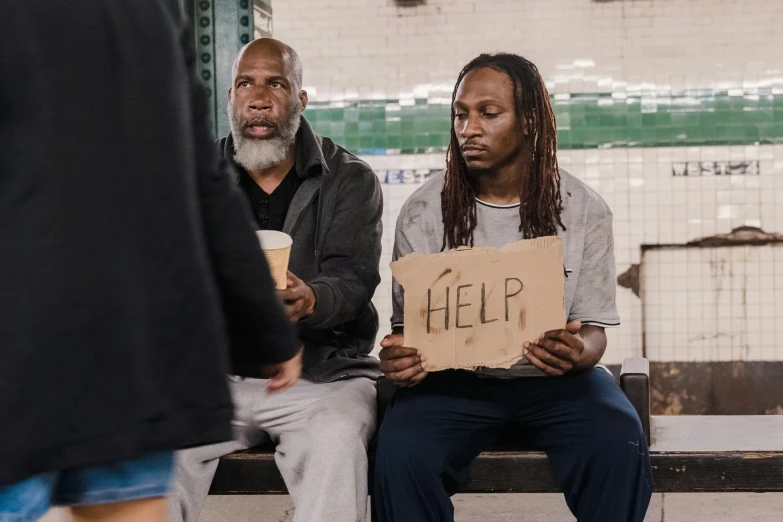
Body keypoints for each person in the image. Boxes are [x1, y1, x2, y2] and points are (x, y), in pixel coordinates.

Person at [0, 2, 302, 522]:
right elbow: (206, 185)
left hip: (18, 341)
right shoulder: (149, 15)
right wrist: (269, 328)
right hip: (135, 343)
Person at [373, 53, 653, 522]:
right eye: (460, 114)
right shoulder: (423, 211)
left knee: (618, 439)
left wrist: (577, 352)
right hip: (451, 385)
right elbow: (408, 332)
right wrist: (401, 358)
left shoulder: (583, 209)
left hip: (557, 383)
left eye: (488, 113)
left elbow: (595, 332)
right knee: (400, 452)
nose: (469, 128)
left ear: (528, 122)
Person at [170, 38, 383, 522]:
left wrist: (309, 300)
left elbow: (353, 278)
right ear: (230, 97)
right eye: (246, 83)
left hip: (320, 378)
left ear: (300, 99)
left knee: (337, 436)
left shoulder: (349, 178)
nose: (259, 97)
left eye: (276, 83)